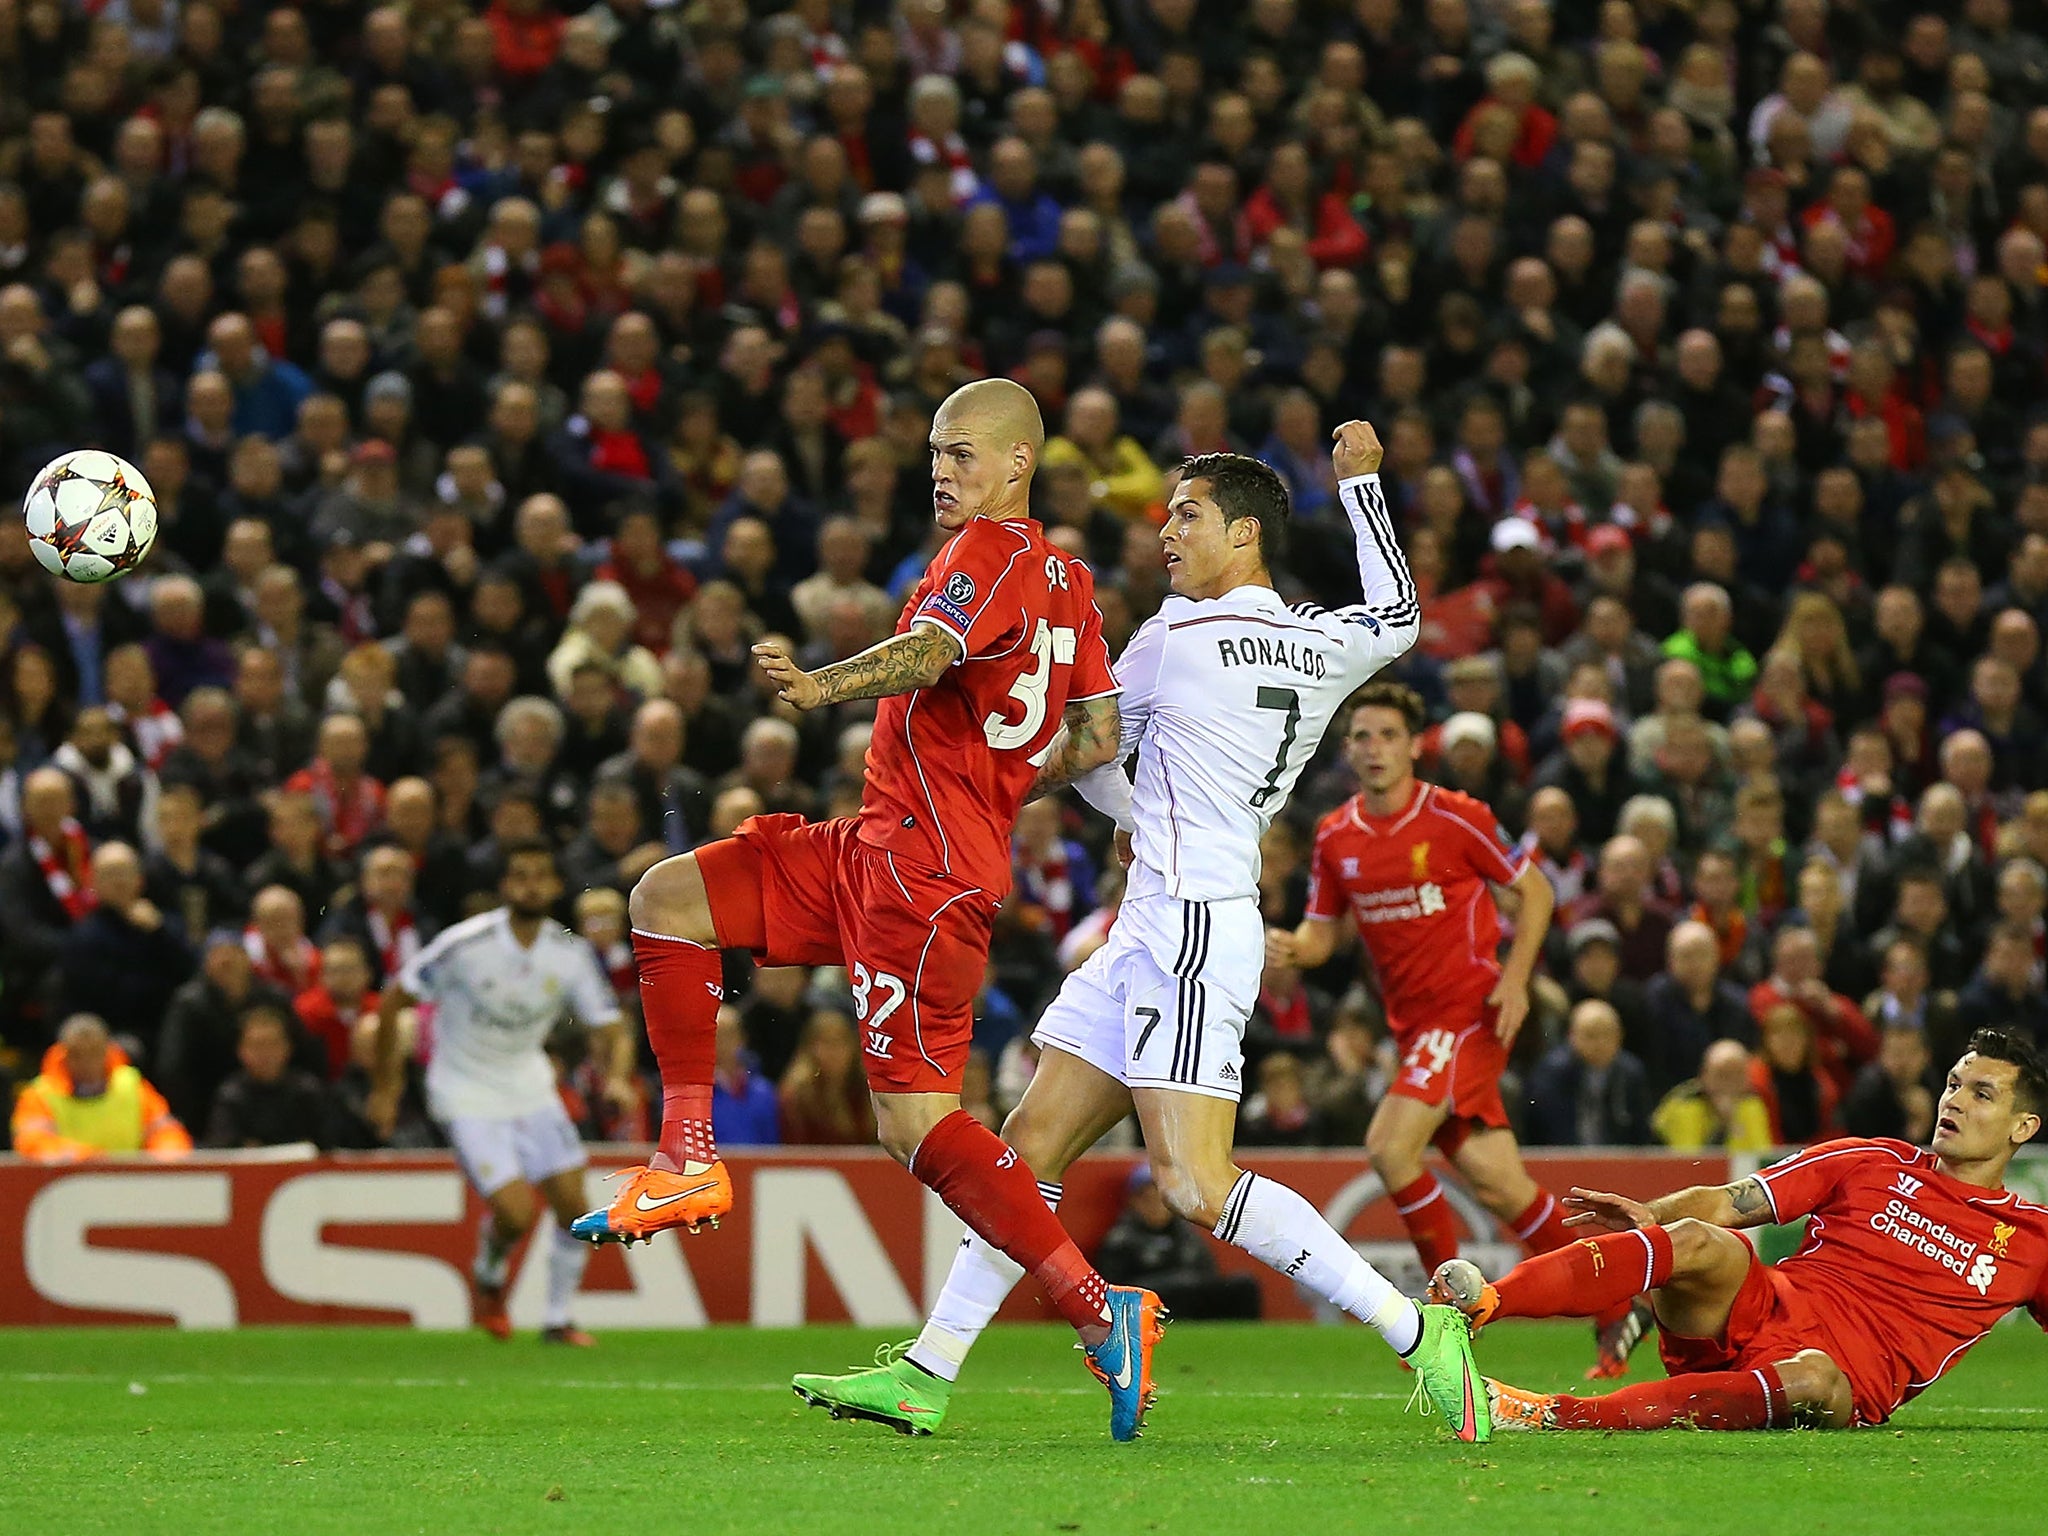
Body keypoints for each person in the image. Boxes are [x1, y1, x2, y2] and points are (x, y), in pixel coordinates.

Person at [795, 425, 1488, 1441]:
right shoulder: (1321, 642)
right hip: (1163, 916)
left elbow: (1086, 746)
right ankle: (926, 1372)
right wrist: (1365, 487)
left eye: (1186, 513)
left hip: (1191, 927)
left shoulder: (1172, 638)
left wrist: (990, 780)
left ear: (1242, 534)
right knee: (1024, 1149)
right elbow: (1394, 615)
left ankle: (1414, 1331)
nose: (1164, 530)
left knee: (1193, 1183)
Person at [570, 379, 1158, 1437]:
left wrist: (814, 687)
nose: (942, 469)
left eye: (965, 453)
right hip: (874, 846)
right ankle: (685, 1158)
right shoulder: (1069, 581)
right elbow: (1099, 733)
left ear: (1020, 464)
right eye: (935, 451)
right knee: (667, 899)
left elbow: (930, 655)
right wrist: (999, 778)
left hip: (918, 881)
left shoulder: (989, 553)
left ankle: (1094, 1305)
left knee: (914, 1124)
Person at [1280, 680, 1641, 1377]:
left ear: (1415, 746)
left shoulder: (1457, 816)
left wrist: (1516, 979)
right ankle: (1619, 1297)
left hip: (1469, 1011)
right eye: (1362, 736)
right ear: (1348, 749)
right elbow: (1321, 938)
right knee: (1501, 1186)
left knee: (1389, 1146)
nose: (1375, 748)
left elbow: (1534, 891)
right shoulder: (1335, 836)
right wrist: (1286, 947)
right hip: (1416, 1030)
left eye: (1388, 735)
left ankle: (1445, 1319)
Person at [1435, 1031, 2048, 1433]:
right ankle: (1481, 1304)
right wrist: (1655, 1215)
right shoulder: (1873, 1159)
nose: (1956, 1101)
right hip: (1761, 1308)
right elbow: (1730, 1201)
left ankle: (1546, 1414)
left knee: (1813, 1376)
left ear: (2023, 1126)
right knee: (1701, 1237)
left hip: (1843, 1384)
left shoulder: (2033, 1240)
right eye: (1952, 1084)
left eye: (1982, 1093)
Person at [367, 839, 636, 1347]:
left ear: (555, 886)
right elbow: (393, 999)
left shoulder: (569, 954)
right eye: (520, 875)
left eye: (540, 875)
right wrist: (387, 1085)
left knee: (576, 1208)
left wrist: (618, 1076)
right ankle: (490, 1274)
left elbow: (611, 1025)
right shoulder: (465, 945)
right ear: (504, 886)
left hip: (530, 1086)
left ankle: (557, 1320)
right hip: (464, 1091)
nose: (530, 885)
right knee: (516, 1213)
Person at [11, 1013, 192, 1162]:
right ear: (63, 1054)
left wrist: (166, 1157)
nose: (86, 1063)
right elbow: (32, 1142)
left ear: (107, 1051)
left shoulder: (132, 1086)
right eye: (77, 1054)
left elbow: (166, 1131)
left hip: (130, 1187)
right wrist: (89, 1159)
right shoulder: (39, 1095)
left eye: (94, 1052)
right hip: (68, 1188)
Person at [1093, 1166, 1262, 1321]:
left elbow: (1209, 1274)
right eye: (1148, 1199)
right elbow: (1113, 1292)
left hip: (1194, 1300)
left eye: (1161, 1200)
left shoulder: (1187, 1236)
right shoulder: (1120, 1240)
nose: (1156, 1207)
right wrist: (1175, 1282)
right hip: (1152, 1305)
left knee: (1244, 1285)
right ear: (1134, 1202)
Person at [204, 1005, 334, 1148]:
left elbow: (327, 1145)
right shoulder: (231, 1096)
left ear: (288, 1047)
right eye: (257, 1045)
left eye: (272, 1044)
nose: (265, 1053)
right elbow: (223, 1147)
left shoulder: (308, 1092)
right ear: (241, 1050)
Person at [1653, 1039, 1775, 1152]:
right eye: (1722, 1075)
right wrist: (1723, 1125)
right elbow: (1689, 1162)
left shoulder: (1752, 1104)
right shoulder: (1686, 1104)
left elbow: (1760, 1155)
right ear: (1704, 1076)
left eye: (1737, 1075)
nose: (1730, 1084)